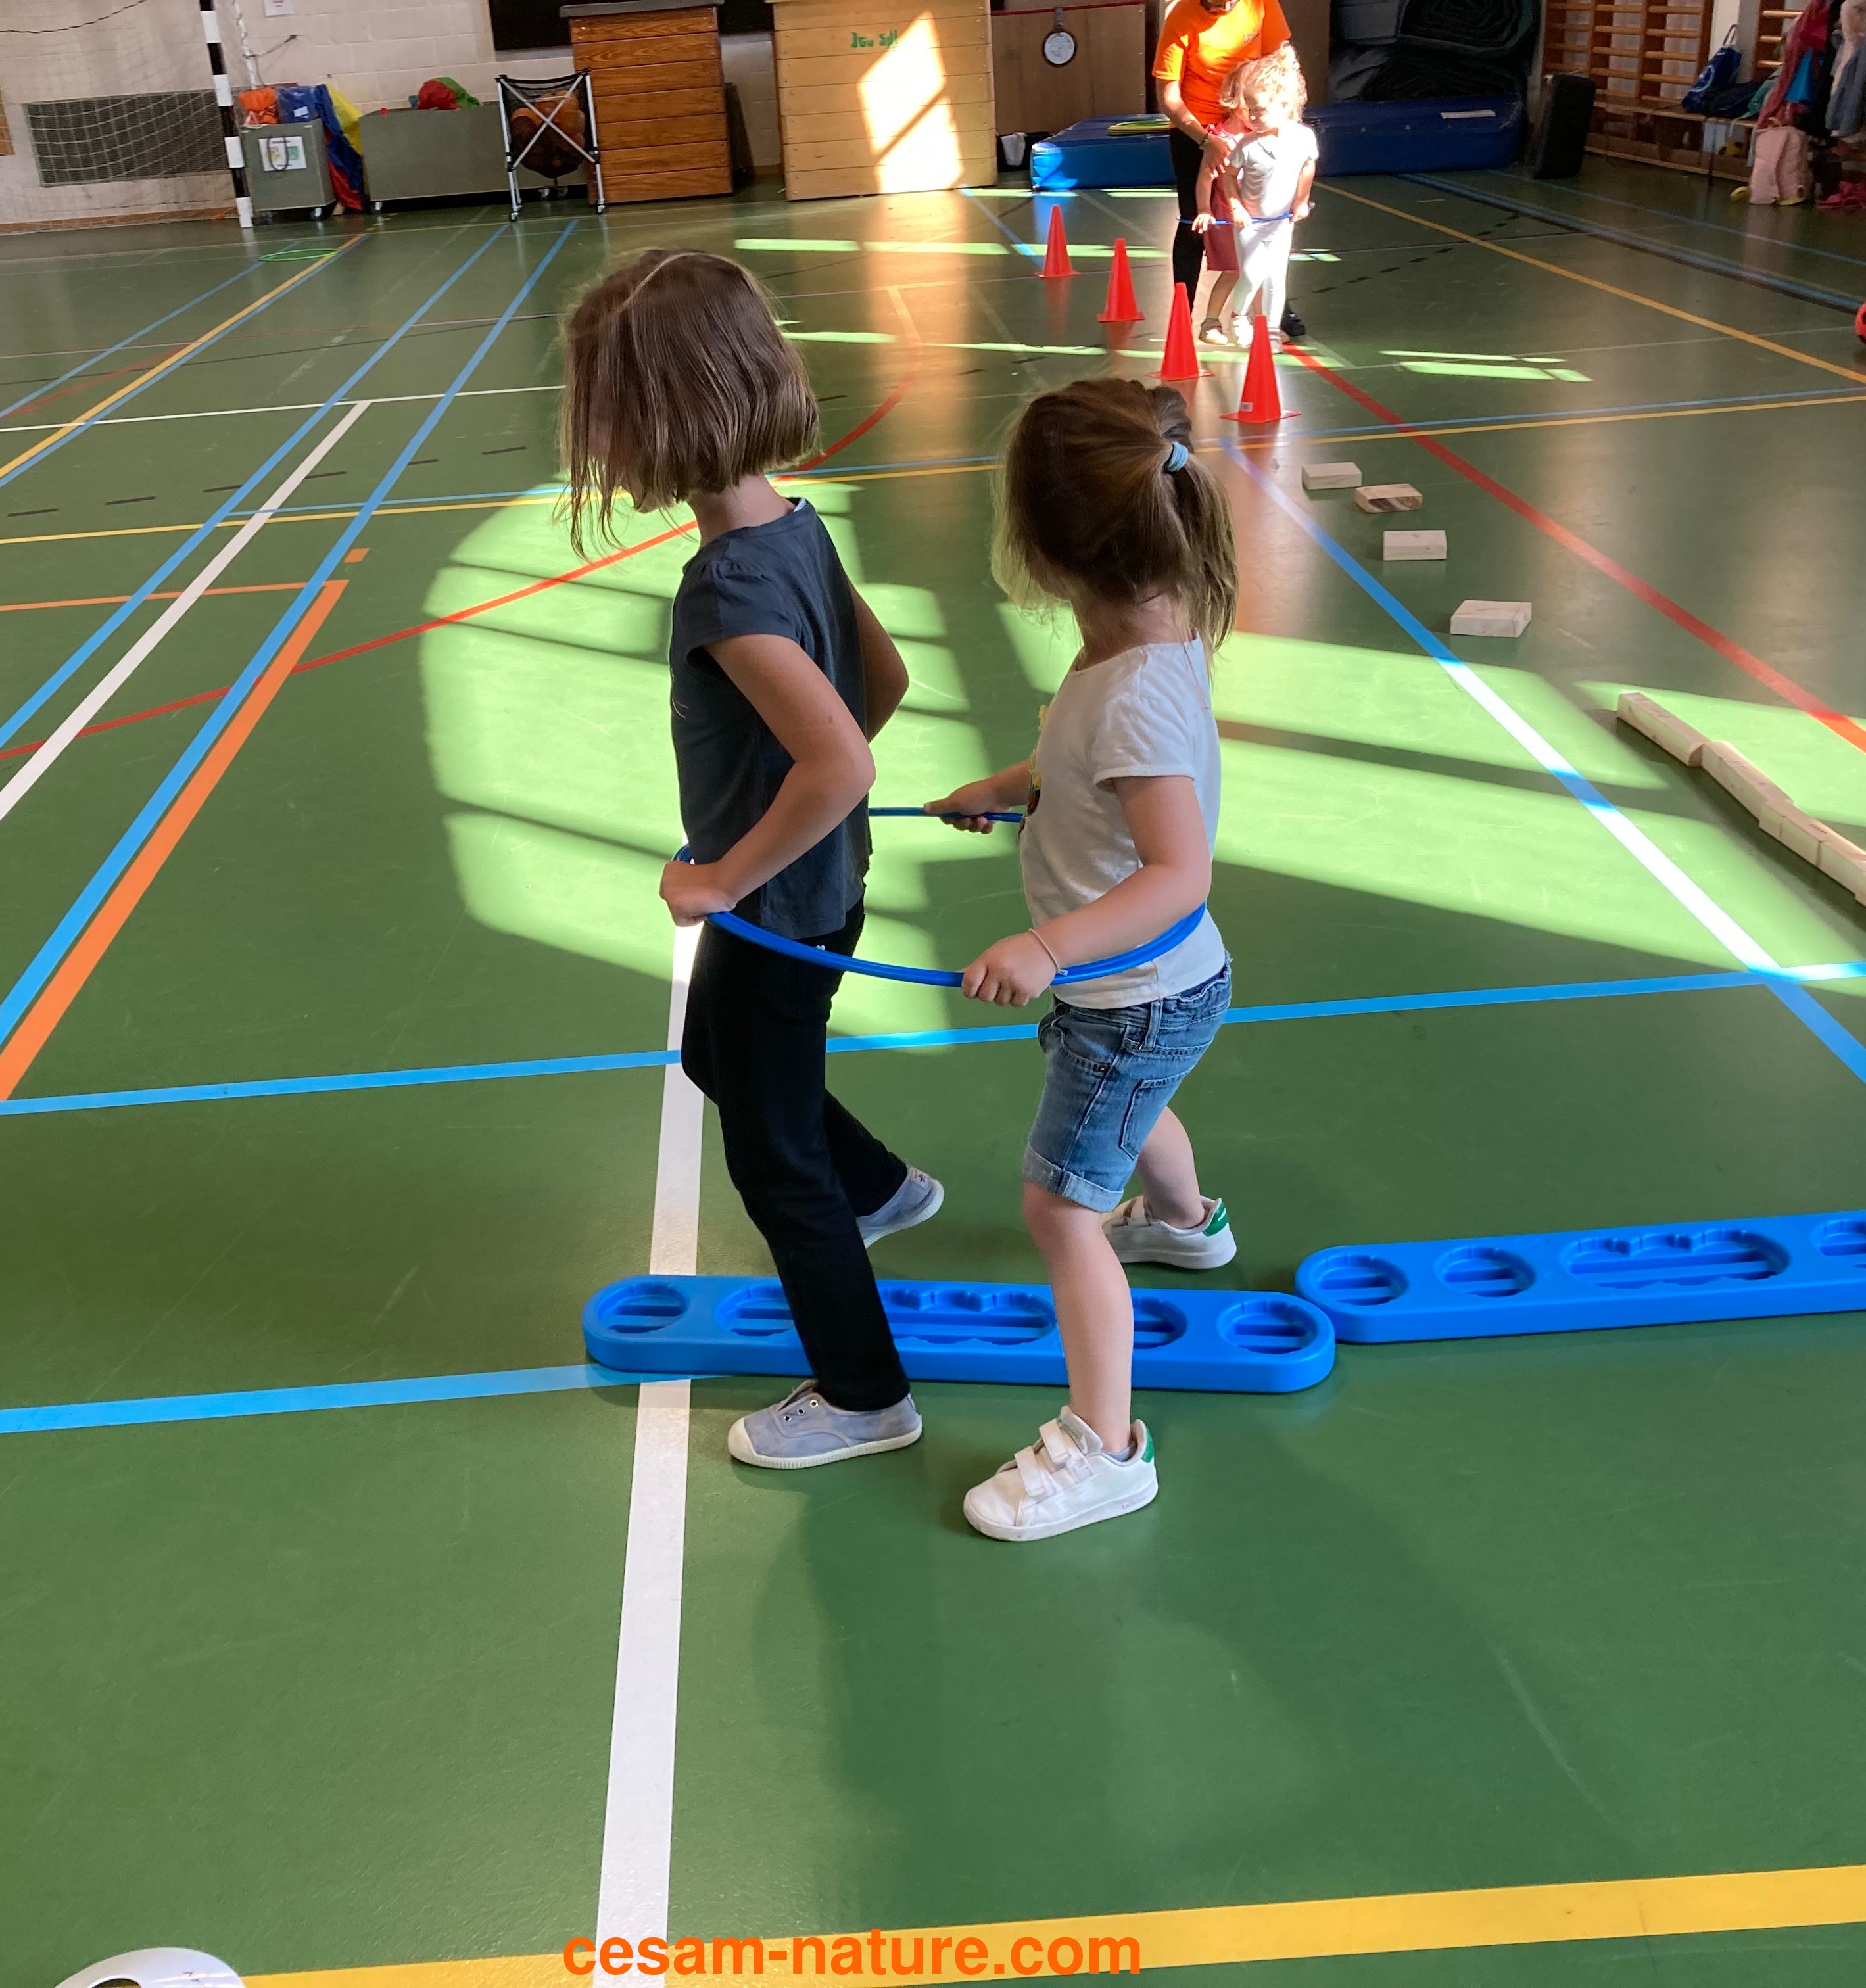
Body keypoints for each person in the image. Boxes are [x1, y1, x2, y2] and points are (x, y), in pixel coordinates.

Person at [561, 249, 943, 1471]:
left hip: (777, 911)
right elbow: (884, 682)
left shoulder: (725, 589)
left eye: (601, 415)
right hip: (810, 890)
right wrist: (792, 797)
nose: (592, 442)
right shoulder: (795, 529)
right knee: (710, 1055)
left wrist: (726, 874)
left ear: (661, 416)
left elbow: (842, 761)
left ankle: (865, 1394)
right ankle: (879, 1189)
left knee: (776, 1165)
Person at [922, 379, 1238, 1544]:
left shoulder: (1131, 694)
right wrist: (1010, 787)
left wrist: (1046, 943)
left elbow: (1178, 870)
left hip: (1131, 992)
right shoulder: (1142, 641)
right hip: (1156, 991)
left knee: (1060, 1209)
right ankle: (1186, 1223)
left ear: (1045, 551)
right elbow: (1081, 763)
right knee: (1136, 1102)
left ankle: (1105, 1447)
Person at [1153, 0, 1291, 328]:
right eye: (1216, 1)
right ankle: (1181, 314)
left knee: (1264, 218)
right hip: (1196, 126)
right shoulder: (1181, 18)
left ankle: (1276, 312)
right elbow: (1169, 98)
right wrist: (1206, 141)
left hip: (1250, 120)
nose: (1226, 5)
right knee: (1194, 220)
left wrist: (1283, 116)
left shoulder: (1260, 5)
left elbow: (1282, 63)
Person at [1192, 48, 1316, 347]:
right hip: (1250, 224)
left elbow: (1308, 165)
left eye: (1260, 110)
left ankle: (1270, 330)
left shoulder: (1302, 138)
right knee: (1249, 274)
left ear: (1284, 105)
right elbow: (1227, 177)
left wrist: (1301, 200)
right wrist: (1235, 206)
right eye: (1251, 110)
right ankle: (1238, 316)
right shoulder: (1246, 145)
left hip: (1281, 224)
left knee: (1275, 278)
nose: (1254, 117)